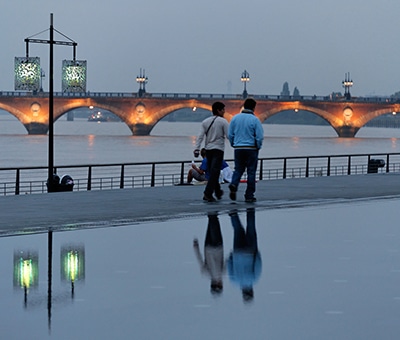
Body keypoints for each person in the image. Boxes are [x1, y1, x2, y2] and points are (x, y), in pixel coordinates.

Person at [228, 98, 264, 203]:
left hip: (238, 148)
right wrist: (258, 146)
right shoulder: (255, 120)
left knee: (238, 169)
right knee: (251, 172)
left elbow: (230, 134)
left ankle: (234, 184)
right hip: (251, 149)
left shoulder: (235, 118)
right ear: (253, 107)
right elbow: (259, 136)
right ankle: (249, 195)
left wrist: (234, 144)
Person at [193, 101, 229, 202]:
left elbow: (200, 137)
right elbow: (229, 136)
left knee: (213, 171)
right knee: (215, 171)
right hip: (218, 149)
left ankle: (217, 191)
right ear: (219, 110)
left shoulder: (205, 122)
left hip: (208, 149)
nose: (224, 112)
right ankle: (207, 193)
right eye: (223, 110)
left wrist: (196, 148)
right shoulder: (223, 122)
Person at [226, 208, 262, 302]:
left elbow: (258, 264)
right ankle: (233, 215)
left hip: (250, 252)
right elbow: (229, 266)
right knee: (237, 230)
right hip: (237, 253)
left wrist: (257, 253)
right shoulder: (234, 281)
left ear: (252, 291)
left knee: (251, 228)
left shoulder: (253, 280)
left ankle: (250, 211)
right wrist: (231, 256)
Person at [193, 212, 225, 295]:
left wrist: (232, 256)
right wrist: (196, 248)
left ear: (219, 284)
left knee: (215, 224)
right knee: (211, 225)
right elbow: (199, 259)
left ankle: (212, 210)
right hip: (207, 247)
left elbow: (226, 262)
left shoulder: (220, 274)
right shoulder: (206, 274)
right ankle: (211, 212)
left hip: (218, 247)